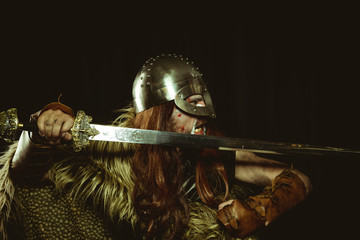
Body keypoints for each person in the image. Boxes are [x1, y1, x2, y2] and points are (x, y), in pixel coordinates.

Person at [0, 54, 312, 239]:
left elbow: (296, 177)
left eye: (204, 99)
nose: (203, 110)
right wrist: (41, 129)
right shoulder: (113, 154)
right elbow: (23, 175)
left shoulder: (215, 155)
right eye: (190, 101)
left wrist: (259, 211)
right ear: (159, 112)